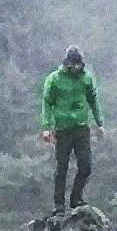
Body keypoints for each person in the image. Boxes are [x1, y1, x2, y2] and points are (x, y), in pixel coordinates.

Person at [38, 45, 104, 209]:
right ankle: (59, 204)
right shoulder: (54, 79)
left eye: (78, 64)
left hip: (81, 128)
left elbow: (93, 100)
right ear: (67, 63)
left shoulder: (87, 78)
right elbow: (47, 103)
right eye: (73, 64)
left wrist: (99, 123)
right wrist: (46, 127)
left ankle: (76, 198)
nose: (76, 67)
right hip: (63, 129)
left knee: (85, 165)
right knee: (62, 168)